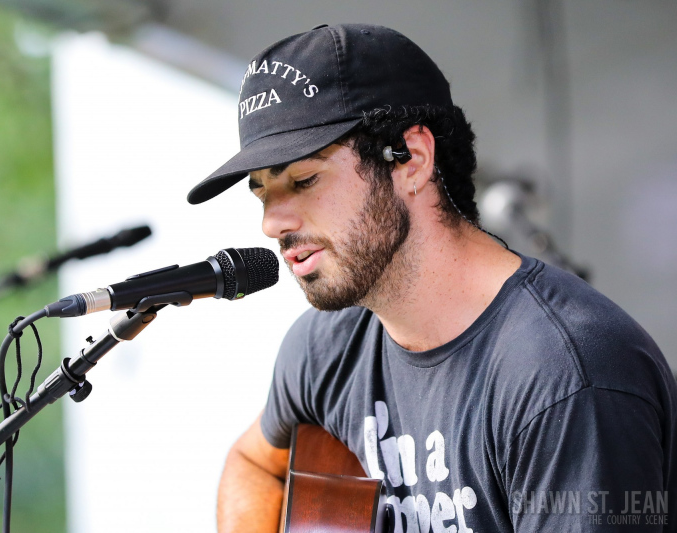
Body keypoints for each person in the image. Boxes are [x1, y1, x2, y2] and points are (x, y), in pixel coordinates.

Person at [187, 23, 677, 532]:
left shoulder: (568, 375)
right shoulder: (322, 350)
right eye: (263, 192)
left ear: (412, 160)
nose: (272, 224)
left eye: (304, 179)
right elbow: (252, 465)